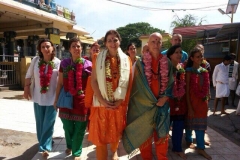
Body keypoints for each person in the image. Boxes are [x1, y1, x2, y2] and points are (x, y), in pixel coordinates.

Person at [123, 32, 174, 160]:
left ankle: (162, 158)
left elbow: (171, 82)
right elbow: (135, 85)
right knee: (145, 135)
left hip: (162, 105)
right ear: (148, 44)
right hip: (144, 106)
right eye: (153, 42)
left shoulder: (167, 62)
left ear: (162, 44)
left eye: (159, 42)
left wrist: (165, 98)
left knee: (162, 135)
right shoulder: (141, 64)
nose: (156, 44)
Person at [88, 30, 132, 160]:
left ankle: (113, 152)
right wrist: (102, 100)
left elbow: (128, 83)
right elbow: (93, 81)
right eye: (109, 40)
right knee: (100, 135)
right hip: (101, 104)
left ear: (119, 41)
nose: (112, 43)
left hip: (118, 103)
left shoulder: (126, 59)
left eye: (115, 40)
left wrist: (120, 100)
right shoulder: (98, 57)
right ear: (105, 43)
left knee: (116, 131)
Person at [54, 38, 92, 160]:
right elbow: (60, 83)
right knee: (67, 126)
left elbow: (93, 84)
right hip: (66, 100)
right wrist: (55, 101)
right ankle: (70, 145)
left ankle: (76, 152)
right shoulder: (64, 64)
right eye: (73, 46)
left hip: (82, 101)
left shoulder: (89, 65)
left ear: (82, 48)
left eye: (78, 46)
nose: (76, 48)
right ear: (69, 49)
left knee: (80, 128)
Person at [23, 38, 60, 158]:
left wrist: (59, 97)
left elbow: (61, 81)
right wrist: (26, 88)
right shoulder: (35, 60)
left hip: (52, 98)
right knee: (40, 123)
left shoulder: (58, 62)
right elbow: (29, 75)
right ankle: (46, 141)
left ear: (52, 47)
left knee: (49, 122)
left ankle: (45, 147)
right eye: (43, 46)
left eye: (48, 46)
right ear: (40, 49)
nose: (45, 48)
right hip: (38, 97)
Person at [185, 48, 212, 160]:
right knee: (190, 123)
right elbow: (186, 91)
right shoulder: (189, 71)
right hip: (191, 102)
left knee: (201, 126)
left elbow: (207, 86)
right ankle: (188, 140)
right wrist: (189, 107)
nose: (200, 58)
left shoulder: (204, 71)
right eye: (197, 56)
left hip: (202, 103)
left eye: (201, 56)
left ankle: (200, 148)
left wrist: (208, 96)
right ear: (192, 58)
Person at [167, 45, 187, 159]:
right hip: (168, 102)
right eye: (176, 52)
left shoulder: (181, 68)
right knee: (165, 127)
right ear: (170, 55)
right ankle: (163, 148)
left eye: (180, 52)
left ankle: (177, 148)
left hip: (180, 102)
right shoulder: (165, 69)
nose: (179, 55)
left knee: (179, 126)